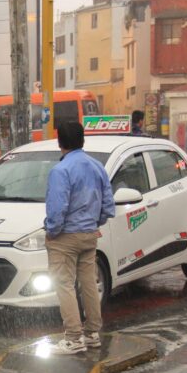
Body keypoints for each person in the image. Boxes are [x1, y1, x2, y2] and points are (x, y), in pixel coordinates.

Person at [45, 121, 115, 354]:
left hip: (66, 236)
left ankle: (73, 337)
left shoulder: (61, 170)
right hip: (89, 234)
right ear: (82, 140)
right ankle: (92, 333)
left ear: (59, 142)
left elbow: (57, 209)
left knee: (64, 284)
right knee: (88, 283)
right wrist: (95, 223)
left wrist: (52, 232)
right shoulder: (97, 167)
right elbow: (108, 205)